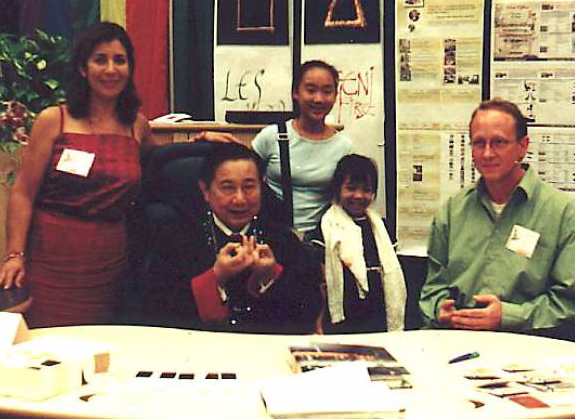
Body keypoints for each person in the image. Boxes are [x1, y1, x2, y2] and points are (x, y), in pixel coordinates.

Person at [0, 22, 152, 328]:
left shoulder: (137, 126)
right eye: (100, 59)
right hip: (52, 260)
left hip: (110, 263)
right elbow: (23, 194)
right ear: (83, 68)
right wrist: (14, 255)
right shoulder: (53, 120)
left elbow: (158, 168)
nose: (111, 69)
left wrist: (202, 141)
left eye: (120, 60)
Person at [419, 99, 575, 332]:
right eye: (479, 143)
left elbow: (573, 304)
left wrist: (508, 316)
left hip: (525, 343)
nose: (487, 153)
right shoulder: (452, 211)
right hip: (456, 338)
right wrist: (439, 309)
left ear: (523, 146)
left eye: (499, 142)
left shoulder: (563, 215)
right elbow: (432, 290)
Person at [142, 143, 322, 334]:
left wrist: (271, 276)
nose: (240, 199)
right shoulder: (176, 239)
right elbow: (158, 314)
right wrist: (216, 278)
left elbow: (307, 316)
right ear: (205, 191)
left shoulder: (283, 240)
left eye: (249, 187)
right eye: (228, 188)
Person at [199, 60, 354, 233]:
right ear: (295, 93)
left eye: (327, 91)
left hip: (326, 236)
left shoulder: (344, 147)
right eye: (310, 90)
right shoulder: (272, 136)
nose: (318, 99)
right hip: (275, 233)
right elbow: (242, 166)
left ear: (335, 95)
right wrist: (206, 138)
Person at [316, 154, 406, 334]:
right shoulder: (325, 229)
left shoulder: (383, 228)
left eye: (366, 190)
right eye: (351, 188)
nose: (358, 195)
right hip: (342, 321)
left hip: (378, 318)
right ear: (338, 189)